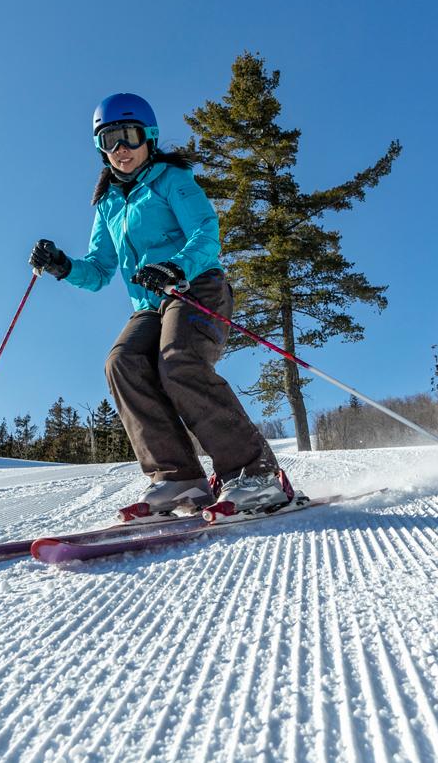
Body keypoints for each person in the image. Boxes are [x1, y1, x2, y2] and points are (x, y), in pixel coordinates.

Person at [29, 92, 294, 518]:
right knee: (122, 362)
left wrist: (176, 267)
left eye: (129, 137)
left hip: (196, 287)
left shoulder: (172, 180)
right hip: (151, 304)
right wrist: (62, 266)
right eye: (109, 140)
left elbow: (207, 233)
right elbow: (98, 270)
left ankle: (255, 473)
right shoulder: (108, 205)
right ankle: (179, 478)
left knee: (177, 362)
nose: (121, 149)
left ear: (148, 137)